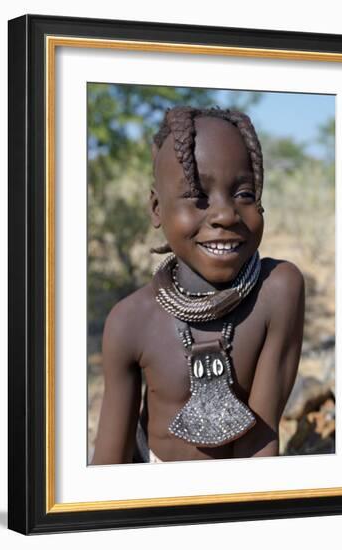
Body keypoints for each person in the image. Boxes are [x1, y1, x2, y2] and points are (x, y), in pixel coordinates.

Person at [90, 106, 304, 464]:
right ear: (157, 208)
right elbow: (109, 462)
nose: (224, 214)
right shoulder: (130, 320)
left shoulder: (277, 290)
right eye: (198, 196)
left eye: (244, 194)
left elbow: (260, 448)